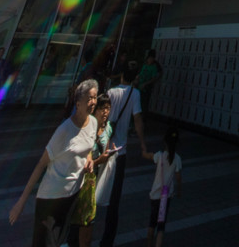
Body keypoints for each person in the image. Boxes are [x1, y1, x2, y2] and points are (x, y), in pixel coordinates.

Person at [9, 79, 101, 246]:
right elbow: (40, 165)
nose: (93, 102)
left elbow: (88, 146)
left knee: (58, 241)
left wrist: (89, 160)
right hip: (50, 199)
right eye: (89, 98)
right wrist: (21, 203)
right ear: (78, 102)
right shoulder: (64, 131)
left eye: (95, 98)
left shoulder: (93, 122)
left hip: (72, 195)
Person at [99, 61, 147, 247]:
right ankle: (107, 240)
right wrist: (143, 144)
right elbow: (138, 121)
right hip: (120, 152)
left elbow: (101, 118)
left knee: (94, 191)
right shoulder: (135, 94)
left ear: (121, 75)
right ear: (135, 78)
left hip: (104, 149)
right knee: (114, 199)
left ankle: (84, 229)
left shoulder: (111, 92)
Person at [67, 93, 117, 247]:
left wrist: (110, 153)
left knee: (87, 219)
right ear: (95, 111)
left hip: (96, 179)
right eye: (102, 109)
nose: (105, 112)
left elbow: (106, 147)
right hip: (81, 178)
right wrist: (97, 161)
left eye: (108, 109)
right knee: (79, 218)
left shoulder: (108, 127)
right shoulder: (88, 128)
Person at [142, 123, 182, 247]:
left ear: (165, 141)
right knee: (161, 225)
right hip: (166, 196)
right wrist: (179, 191)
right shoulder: (177, 159)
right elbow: (178, 178)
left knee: (151, 223)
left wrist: (143, 148)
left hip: (155, 195)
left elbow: (147, 155)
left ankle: (149, 244)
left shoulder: (159, 156)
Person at [138, 50, 162, 116]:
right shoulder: (144, 64)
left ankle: (142, 119)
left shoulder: (154, 66)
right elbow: (141, 73)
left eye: (152, 58)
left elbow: (155, 77)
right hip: (140, 86)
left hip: (146, 88)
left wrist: (145, 84)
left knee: (144, 104)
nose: (151, 60)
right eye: (150, 58)